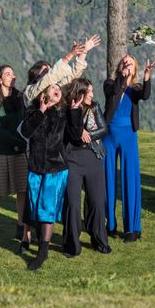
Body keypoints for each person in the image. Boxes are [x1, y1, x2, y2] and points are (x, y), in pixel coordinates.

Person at [19, 83, 83, 270]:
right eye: (52, 87)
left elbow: (76, 136)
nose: (57, 90)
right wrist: (41, 110)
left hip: (56, 168)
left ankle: (42, 253)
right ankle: (40, 244)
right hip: (36, 167)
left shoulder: (64, 111)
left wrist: (75, 111)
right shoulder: (33, 110)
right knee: (35, 209)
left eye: (58, 88)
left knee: (47, 209)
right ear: (43, 93)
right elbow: (25, 132)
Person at [103, 55, 155, 243]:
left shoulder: (135, 89)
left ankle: (132, 228)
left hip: (128, 136)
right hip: (108, 136)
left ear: (135, 69)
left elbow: (146, 95)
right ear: (119, 67)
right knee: (108, 179)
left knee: (130, 179)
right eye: (124, 62)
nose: (126, 64)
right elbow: (115, 91)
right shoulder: (109, 84)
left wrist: (147, 76)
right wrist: (122, 77)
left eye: (130, 63)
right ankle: (109, 225)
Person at [63, 78, 111, 257]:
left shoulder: (94, 107)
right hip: (72, 158)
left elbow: (104, 129)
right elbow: (73, 135)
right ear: (80, 93)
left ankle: (99, 239)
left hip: (93, 156)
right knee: (73, 203)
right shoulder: (66, 109)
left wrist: (88, 134)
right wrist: (79, 130)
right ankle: (72, 245)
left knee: (97, 201)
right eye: (89, 92)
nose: (92, 94)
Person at [0, 65, 28, 239]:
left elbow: (22, 122)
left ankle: (21, 225)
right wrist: (18, 142)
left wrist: (20, 142)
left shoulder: (19, 98)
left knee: (22, 190)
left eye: (13, 73)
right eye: (8, 74)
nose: (13, 76)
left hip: (18, 152)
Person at [22, 35, 100, 105]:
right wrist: (71, 54)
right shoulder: (30, 94)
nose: (50, 72)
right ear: (36, 77)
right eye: (45, 72)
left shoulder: (56, 91)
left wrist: (84, 52)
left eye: (50, 69)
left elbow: (72, 77)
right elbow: (48, 79)